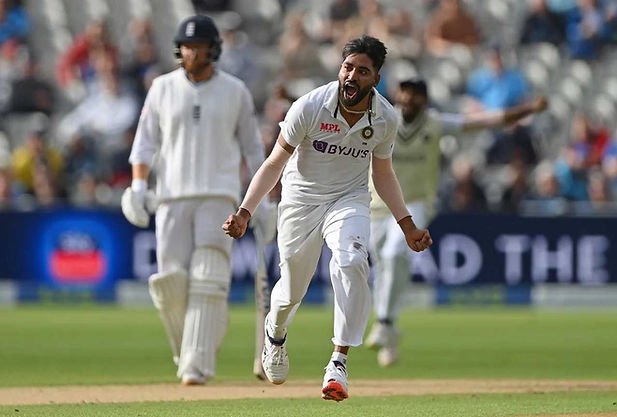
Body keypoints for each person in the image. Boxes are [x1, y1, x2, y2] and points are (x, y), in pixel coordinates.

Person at [222, 35, 433, 402]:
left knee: (352, 261)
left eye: (362, 71)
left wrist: (407, 223)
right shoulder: (311, 105)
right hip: (301, 200)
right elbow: (274, 162)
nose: (351, 76)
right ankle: (275, 333)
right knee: (291, 291)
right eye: (347, 67)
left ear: (376, 79)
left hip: (349, 199)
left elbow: (383, 174)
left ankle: (338, 362)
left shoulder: (384, 118)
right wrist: (245, 211)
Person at [121, 15, 275, 386]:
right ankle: (189, 348)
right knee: (171, 284)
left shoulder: (235, 91)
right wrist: (139, 186)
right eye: (187, 46)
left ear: (213, 50)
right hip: (171, 197)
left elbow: (254, 151)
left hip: (219, 195)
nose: (192, 52)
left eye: (199, 46)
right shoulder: (161, 88)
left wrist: (263, 202)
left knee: (208, 279)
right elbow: (144, 143)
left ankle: (196, 365)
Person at [365, 78, 548, 367]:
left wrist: (529, 109)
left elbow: (487, 121)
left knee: (395, 253)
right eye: (404, 96)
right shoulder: (383, 120)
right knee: (383, 267)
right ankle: (391, 327)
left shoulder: (435, 123)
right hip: (378, 205)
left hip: (416, 204)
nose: (408, 102)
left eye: (414, 97)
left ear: (424, 100)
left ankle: (385, 321)